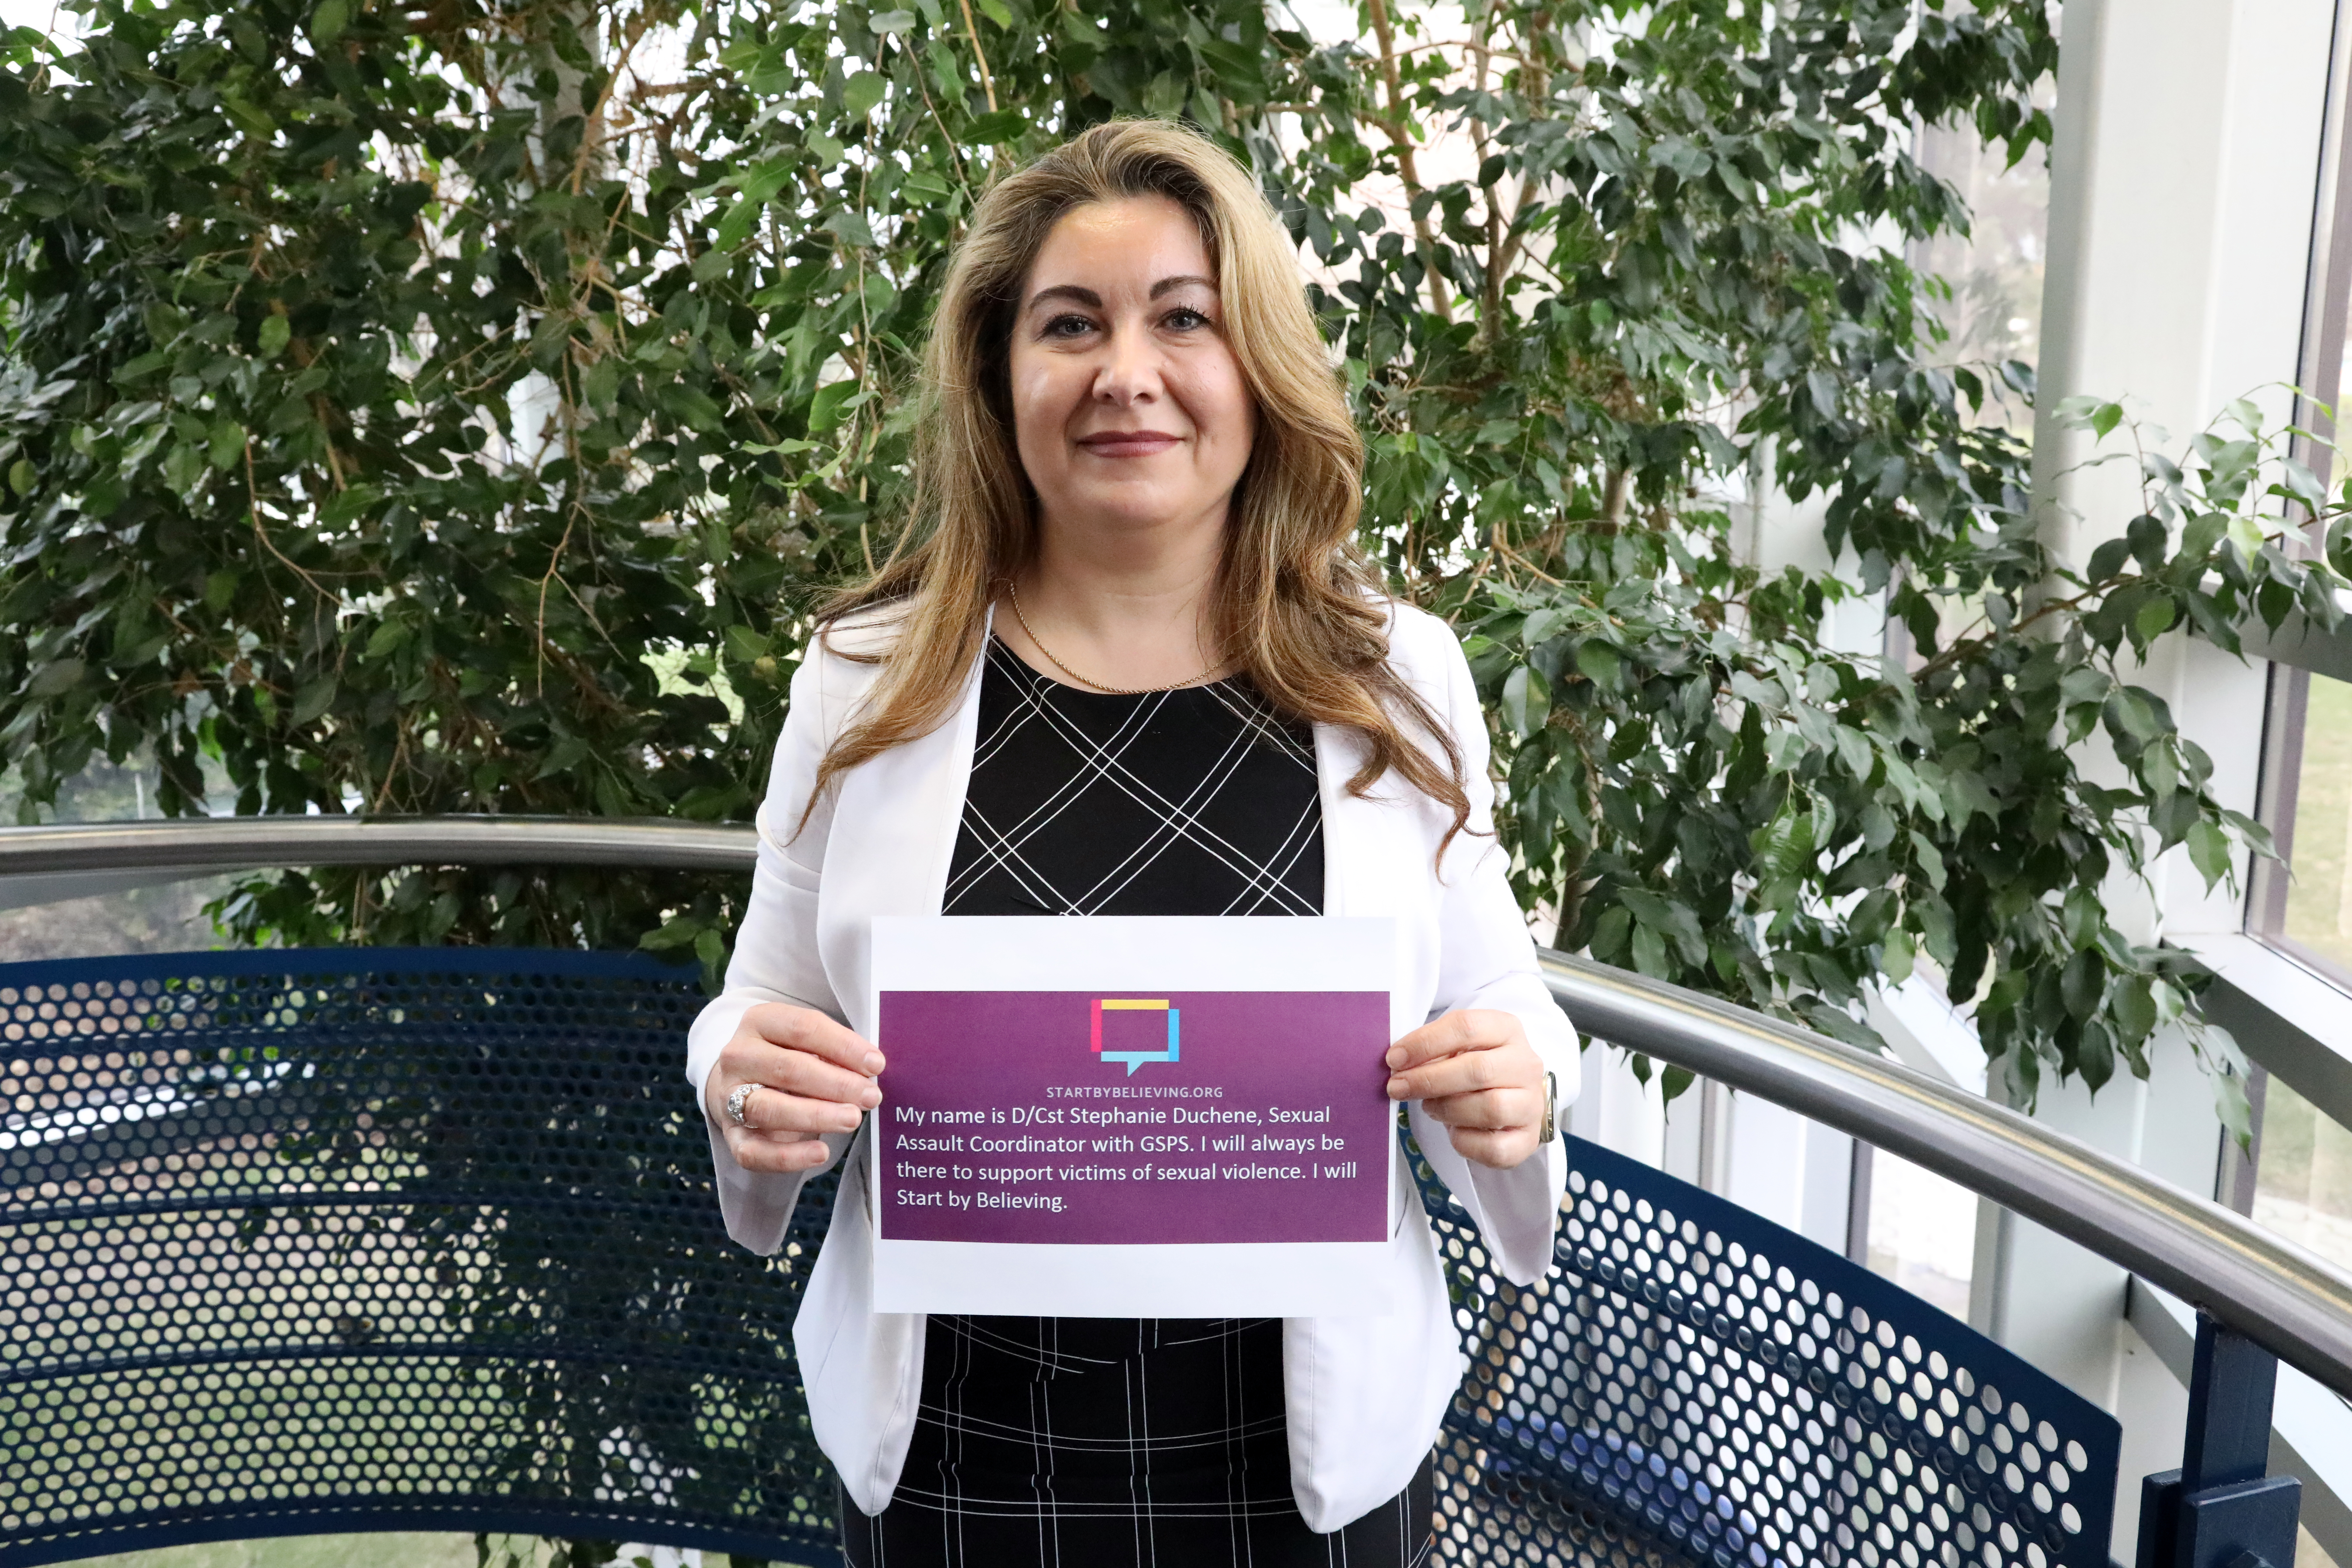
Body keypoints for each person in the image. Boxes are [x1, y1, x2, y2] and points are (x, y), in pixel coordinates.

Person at [685, 117, 1578, 1568]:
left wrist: (1520, 1082)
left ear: (1259, 367)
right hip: (957, 1467)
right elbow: (761, 1001)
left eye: (1184, 319)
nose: (1127, 374)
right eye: (1068, 325)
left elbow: (1508, 1005)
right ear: (998, 374)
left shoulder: (1397, 674)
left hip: (1305, 1484)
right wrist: (742, 1077)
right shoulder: (865, 676)